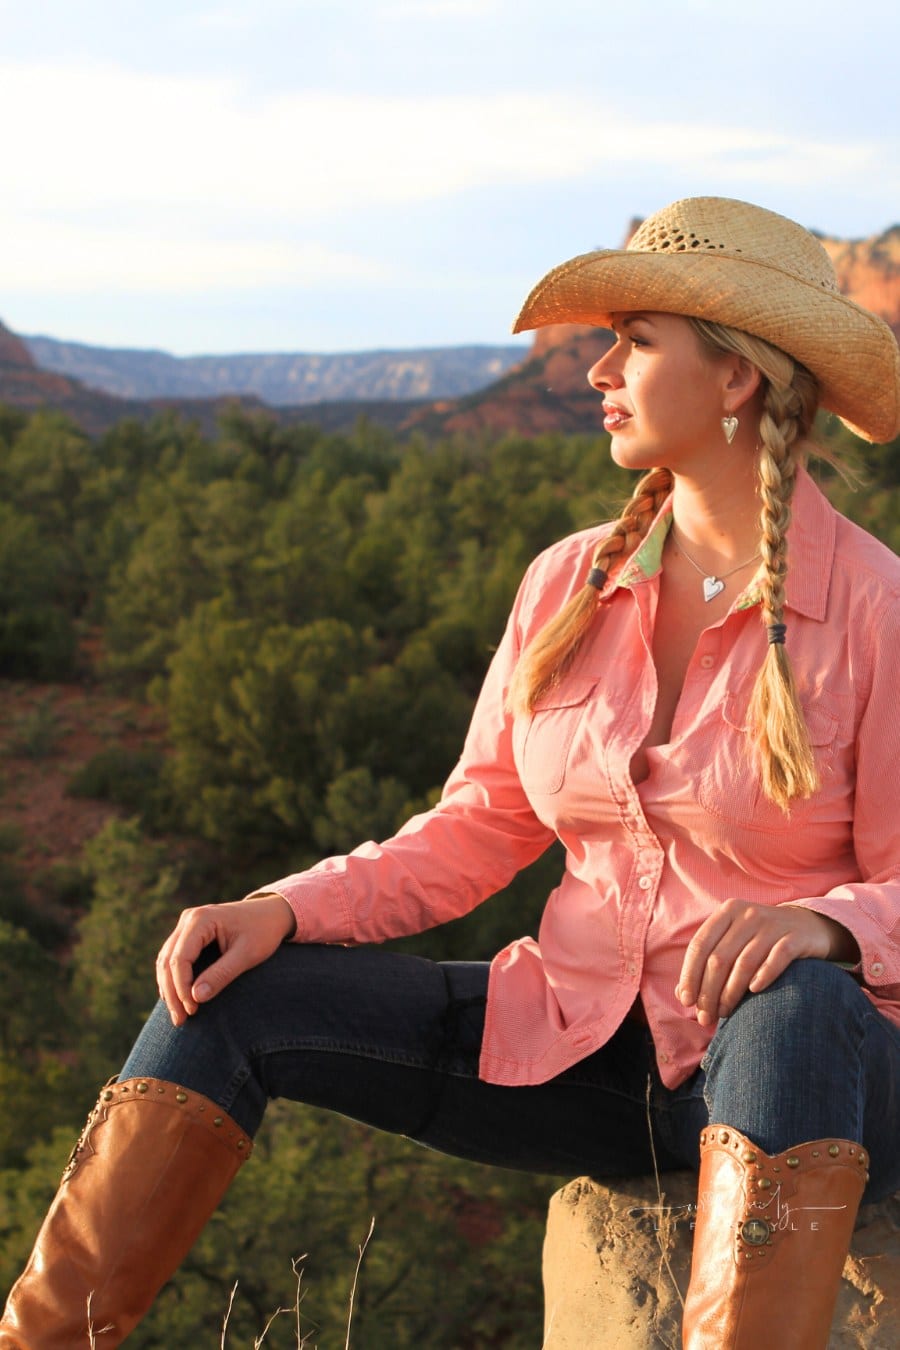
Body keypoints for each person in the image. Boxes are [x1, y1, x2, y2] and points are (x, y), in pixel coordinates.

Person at [3, 196, 899, 1350]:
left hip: (812, 1084)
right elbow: (476, 826)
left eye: (635, 341)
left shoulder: (874, 608)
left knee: (791, 1006)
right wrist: (283, 907)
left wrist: (823, 927)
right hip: (589, 1048)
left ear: (735, 382)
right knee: (232, 992)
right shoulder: (568, 583)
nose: (597, 371)